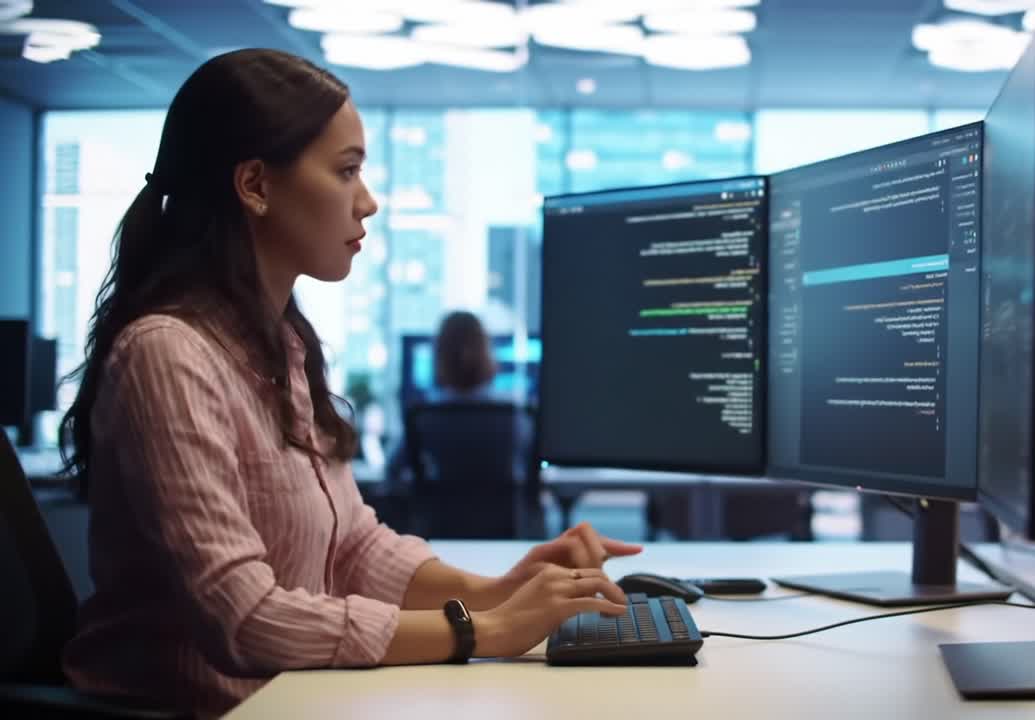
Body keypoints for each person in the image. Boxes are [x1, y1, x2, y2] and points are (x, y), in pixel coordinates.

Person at [57, 48, 640, 719]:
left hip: (291, 699)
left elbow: (355, 547)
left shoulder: (282, 346)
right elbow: (245, 619)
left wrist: (502, 591)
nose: (368, 201)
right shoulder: (167, 355)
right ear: (255, 185)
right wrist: (484, 631)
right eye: (346, 171)